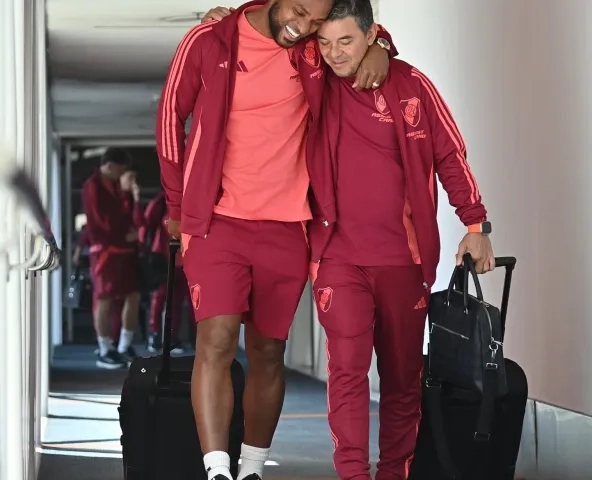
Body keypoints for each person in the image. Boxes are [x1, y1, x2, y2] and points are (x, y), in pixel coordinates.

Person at [157, 2, 396, 479]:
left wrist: (383, 47)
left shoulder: (310, 47)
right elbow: (170, 120)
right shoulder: (209, 42)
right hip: (217, 221)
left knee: (268, 350)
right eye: (301, 12)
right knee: (217, 340)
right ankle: (217, 469)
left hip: (287, 226)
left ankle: (251, 468)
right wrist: (178, 206)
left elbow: (359, 34)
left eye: (316, 21)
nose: (304, 27)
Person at [308, 1, 495, 478]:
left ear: (370, 35)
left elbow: (449, 154)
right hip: (336, 257)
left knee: (402, 380)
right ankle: (352, 474)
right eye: (325, 43)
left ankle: (394, 473)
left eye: (346, 41)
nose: (334, 54)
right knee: (347, 373)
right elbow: (270, 35)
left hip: (404, 260)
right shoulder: (311, 79)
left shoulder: (410, 84)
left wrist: (475, 226)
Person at [81, 148, 145, 369]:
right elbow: (100, 221)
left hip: (125, 250)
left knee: (133, 294)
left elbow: (132, 218)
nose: (122, 175)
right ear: (110, 166)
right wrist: (124, 233)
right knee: (104, 298)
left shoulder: (119, 187)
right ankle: (105, 349)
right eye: (121, 170)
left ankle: (124, 345)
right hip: (105, 251)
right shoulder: (93, 186)